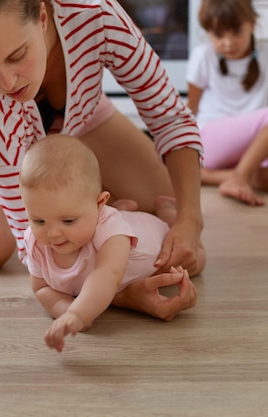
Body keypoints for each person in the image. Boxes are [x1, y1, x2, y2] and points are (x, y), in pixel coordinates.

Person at [0, 0, 205, 320]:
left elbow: (170, 117)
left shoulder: (95, 13)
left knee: (169, 202)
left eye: (17, 55)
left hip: (77, 114)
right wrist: (114, 292)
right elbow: (32, 241)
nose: (7, 83)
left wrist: (191, 221)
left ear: (41, 15)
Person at [20, 134, 194, 352]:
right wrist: (68, 312)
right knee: (113, 218)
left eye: (68, 220)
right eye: (39, 220)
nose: (53, 233)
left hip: (154, 236)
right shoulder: (35, 241)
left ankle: (167, 212)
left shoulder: (111, 233)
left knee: (198, 259)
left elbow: (107, 275)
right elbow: (42, 288)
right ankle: (124, 209)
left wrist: (78, 313)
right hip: (111, 218)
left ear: (99, 202)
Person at [186, 0, 268, 206]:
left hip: (247, 146)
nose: (228, 43)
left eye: (236, 32)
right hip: (212, 142)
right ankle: (240, 177)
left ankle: (214, 176)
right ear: (208, 33)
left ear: (252, 24)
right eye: (219, 35)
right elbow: (191, 109)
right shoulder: (203, 56)